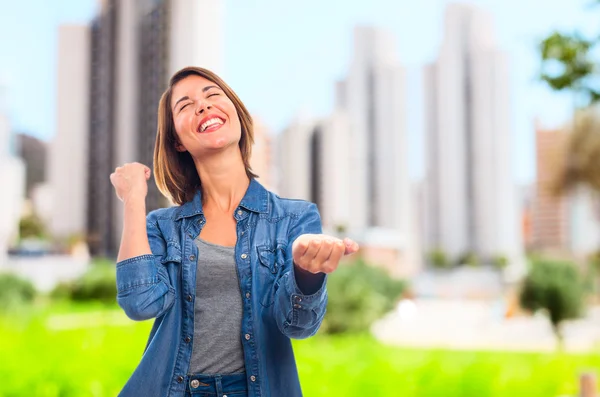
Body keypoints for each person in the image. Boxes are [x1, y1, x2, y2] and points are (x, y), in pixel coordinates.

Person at [110, 66, 359, 397]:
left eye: (213, 95)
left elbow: (298, 325)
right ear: (178, 141)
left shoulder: (294, 218)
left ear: (237, 116)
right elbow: (140, 303)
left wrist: (306, 273)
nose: (202, 105)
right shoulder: (161, 225)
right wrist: (133, 200)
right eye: (185, 105)